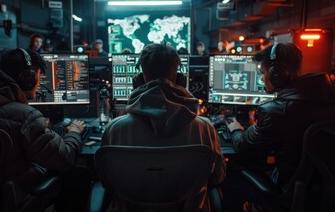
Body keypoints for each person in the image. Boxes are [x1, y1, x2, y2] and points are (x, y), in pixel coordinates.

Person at [102, 43, 226, 211]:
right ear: (180, 80)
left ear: (139, 81)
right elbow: (217, 177)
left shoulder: (115, 130)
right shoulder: (205, 129)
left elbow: (108, 181)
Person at [223, 43, 335, 211]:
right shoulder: (329, 98)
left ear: (278, 74)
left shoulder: (275, 111)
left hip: (288, 196)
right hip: (324, 197)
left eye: (263, 72)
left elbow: (244, 148)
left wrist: (236, 129)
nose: (262, 79)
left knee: (229, 176)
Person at [0, 48, 90, 211]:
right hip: (18, 197)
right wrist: (73, 132)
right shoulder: (25, 117)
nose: (38, 82)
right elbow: (64, 157)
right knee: (79, 175)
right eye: (37, 76)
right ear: (26, 79)